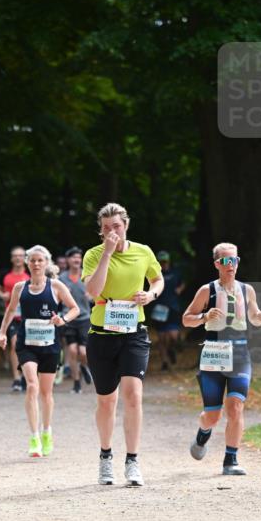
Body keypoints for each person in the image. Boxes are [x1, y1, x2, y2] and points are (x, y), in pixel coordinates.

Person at [82, 202, 164, 487]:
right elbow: (93, 291)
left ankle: (132, 460)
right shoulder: (93, 255)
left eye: (116, 226)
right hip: (102, 334)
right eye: (106, 229)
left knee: (133, 395)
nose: (112, 232)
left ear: (126, 226)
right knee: (107, 400)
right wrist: (106, 253)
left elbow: (158, 279)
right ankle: (106, 457)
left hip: (134, 333)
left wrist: (151, 294)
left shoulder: (143, 252)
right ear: (100, 232)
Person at [183, 243, 261, 476]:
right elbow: (186, 319)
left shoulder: (246, 290)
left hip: (240, 354)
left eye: (235, 260)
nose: (231, 266)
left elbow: (254, 317)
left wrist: (260, 317)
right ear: (217, 264)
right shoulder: (206, 290)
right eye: (226, 261)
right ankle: (203, 433)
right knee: (213, 414)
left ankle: (230, 459)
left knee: (236, 406)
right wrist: (203, 316)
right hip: (213, 353)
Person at [0, 246, 79, 456]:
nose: (36, 264)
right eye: (32, 260)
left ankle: (46, 431)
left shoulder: (56, 286)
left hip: (50, 346)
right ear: (27, 263)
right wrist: (2, 333)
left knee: (46, 392)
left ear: (46, 263)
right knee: (32, 386)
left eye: (40, 260)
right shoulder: (19, 287)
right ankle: (34, 437)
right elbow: (10, 310)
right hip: (27, 345)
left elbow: (75, 308)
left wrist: (63, 320)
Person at [59, 246, 93, 393]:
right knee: (72, 350)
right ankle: (76, 382)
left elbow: (98, 293)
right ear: (68, 260)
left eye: (79, 257)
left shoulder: (88, 276)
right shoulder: (62, 278)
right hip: (69, 318)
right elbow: (55, 296)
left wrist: (92, 296)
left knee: (83, 352)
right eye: (73, 257)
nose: (76, 259)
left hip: (85, 318)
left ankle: (84, 366)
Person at [0, 247, 30, 392]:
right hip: (12, 316)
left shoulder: (29, 275)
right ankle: (16, 378)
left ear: (25, 258)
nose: (18, 258)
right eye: (15, 256)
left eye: (20, 256)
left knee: (28, 346)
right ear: (11, 258)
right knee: (15, 344)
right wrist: (2, 295)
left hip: (29, 317)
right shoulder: (5, 275)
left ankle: (26, 376)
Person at [149, 250, 186, 370]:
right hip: (159, 309)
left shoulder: (175, 273)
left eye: (165, 262)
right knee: (161, 338)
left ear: (168, 261)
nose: (163, 264)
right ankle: (164, 362)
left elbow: (182, 283)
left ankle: (171, 349)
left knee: (173, 336)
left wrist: (179, 289)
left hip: (173, 308)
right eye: (161, 262)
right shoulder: (154, 274)